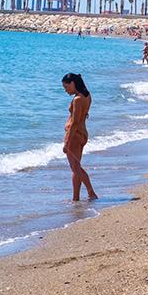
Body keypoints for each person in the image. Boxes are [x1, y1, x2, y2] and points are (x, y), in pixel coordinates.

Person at [62, 73, 99, 201]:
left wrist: (67, 141)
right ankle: (75, 198)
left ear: (72, 83)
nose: (66, 91)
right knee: (76, 168)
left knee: (75, 167)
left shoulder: (78, 99)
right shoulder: (87, 95)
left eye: (66, 87)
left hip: (75, 136)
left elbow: (75, 122)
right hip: (82, 134)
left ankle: (91, 192)